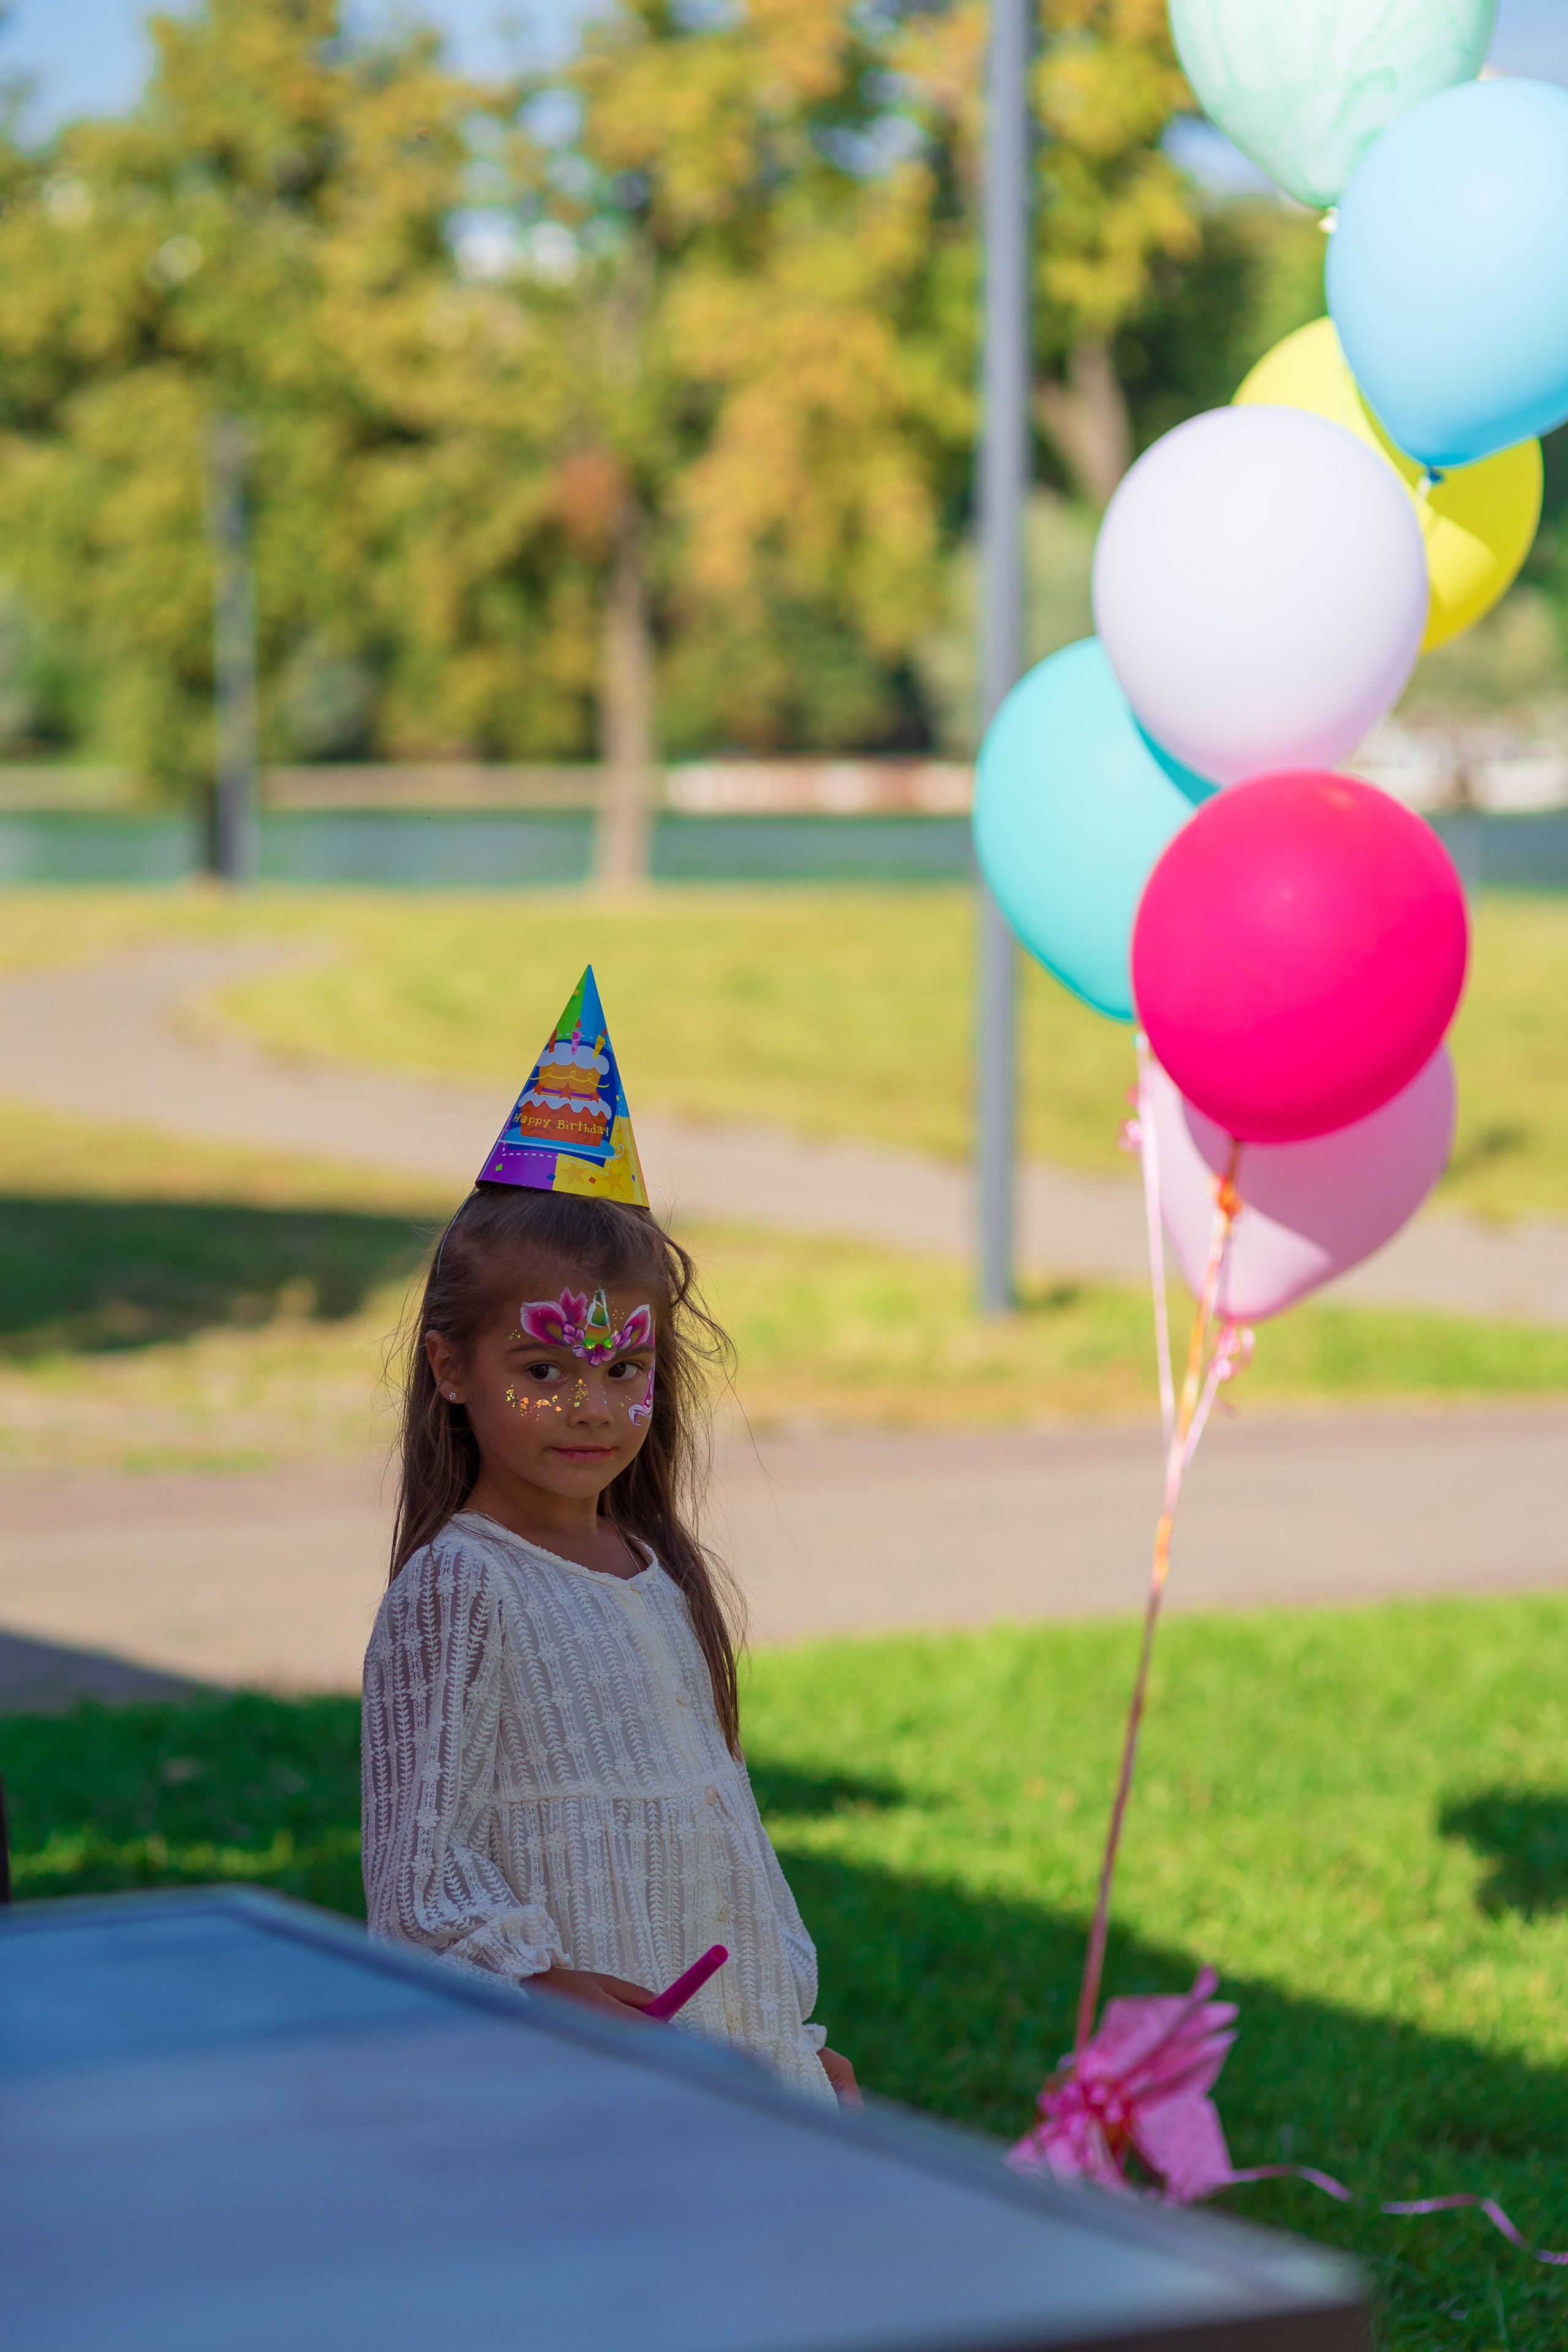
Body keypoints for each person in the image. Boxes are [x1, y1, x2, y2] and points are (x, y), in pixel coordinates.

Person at [361, 968, 857, 2110]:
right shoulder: (461, 1588)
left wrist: (796, 2040)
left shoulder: (657, 1579)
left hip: (732, 2072)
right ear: (450, 1368)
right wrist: (540, 1987)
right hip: (575, 2086)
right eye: (543, 1370)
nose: (589, 1406)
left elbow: (727, 1846)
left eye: (624, 1368)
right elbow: (417, 1880)